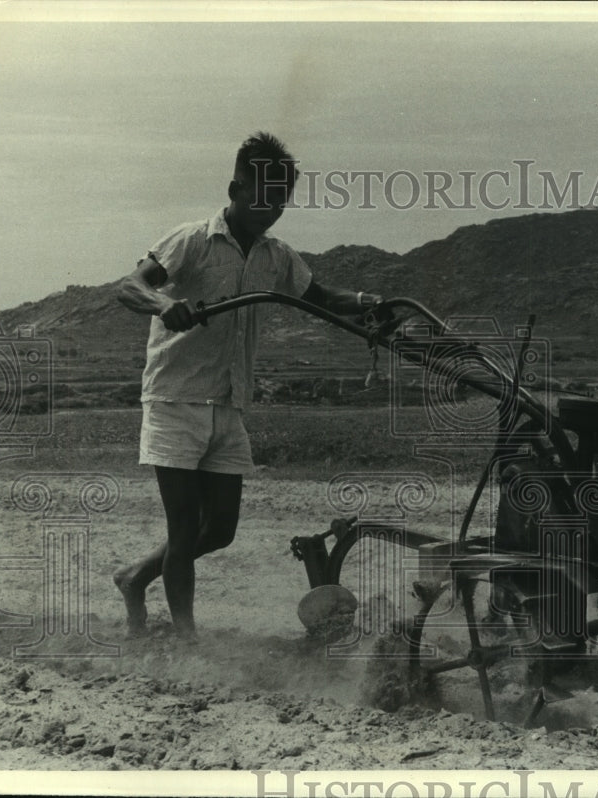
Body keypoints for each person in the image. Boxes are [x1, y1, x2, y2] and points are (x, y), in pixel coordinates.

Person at [114, 132, 380, 640]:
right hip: (175, 400)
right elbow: (129, 286)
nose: (271, 210)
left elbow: (320, 296)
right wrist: (162, 305)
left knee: (220, 531)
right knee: (184, 528)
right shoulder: (192, 240)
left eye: (281, 202)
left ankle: (135, 577)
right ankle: (188, 640)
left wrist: (371, 301)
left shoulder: (275, 257)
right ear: (235, 187)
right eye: (263, 198)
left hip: (228, 404)